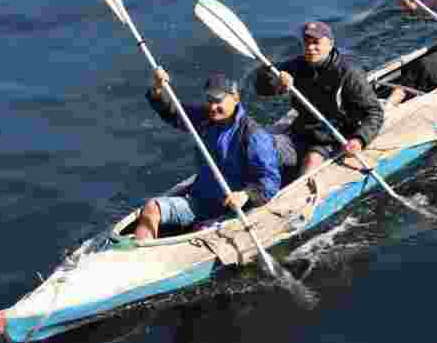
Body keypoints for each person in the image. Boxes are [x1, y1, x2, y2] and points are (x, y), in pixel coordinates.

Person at [132, 70, 281, 241]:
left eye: (218, 101)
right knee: (152, 208)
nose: (212, 107)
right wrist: (158, 89)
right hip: (201, 200)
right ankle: (138, 253)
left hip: (233, 210)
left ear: (236, 98)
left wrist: (245, 195)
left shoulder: (253, 135)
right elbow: (174, 112)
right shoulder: (206, 119)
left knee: (199, 232)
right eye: (209, 100)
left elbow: (270, 181)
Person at [255, 21, 384, 177]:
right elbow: (261, 88)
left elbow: (374, 112)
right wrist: (275, 80)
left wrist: (360, 139)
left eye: (316, 43)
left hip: (333, 136)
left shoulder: (349, 73)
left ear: (330, 44)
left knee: (310, 164)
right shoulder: (297, 66)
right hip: (303, 130)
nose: (310, 48)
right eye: (307, 43)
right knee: (262, 147)